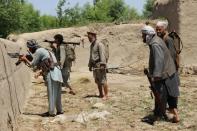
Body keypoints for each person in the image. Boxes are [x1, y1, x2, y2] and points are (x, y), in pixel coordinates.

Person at [141, 25, 179, 123]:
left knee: (160, 95)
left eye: (143, 35)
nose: (142, 37)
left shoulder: (155, 44)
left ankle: (159, 116)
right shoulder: (156, 40)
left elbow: (159, 60)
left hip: (165, 74)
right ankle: (170, 116)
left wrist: (156, 75)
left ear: (148, 36)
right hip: (169, 72)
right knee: (170, 96)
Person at [20, 39, 63, 117]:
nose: (29, 50)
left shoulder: (39, 51)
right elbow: (45, 64)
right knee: (57, 93)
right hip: (58, 72)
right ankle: (59, 110)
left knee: (51, 93)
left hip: (52, 73)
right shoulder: (45, 50)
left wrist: (24, 59)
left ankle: (52, 112)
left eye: (29, 48)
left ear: (33, 47)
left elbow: (32, 65)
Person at [156, 21, 180, 122]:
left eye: (159, 29)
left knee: (171, 93)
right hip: (164, 71)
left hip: (169, 72)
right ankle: (161, 112)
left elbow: (171, 56)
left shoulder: (168, 39)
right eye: (156, 29)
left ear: (164, 29)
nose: (157, 31)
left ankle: (174, 115)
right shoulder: (161, 39)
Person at [87, 31, 109, 100]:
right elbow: (91, 56)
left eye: (90, 37)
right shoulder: (91, 45)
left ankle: (106, 95)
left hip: (99, 64)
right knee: (97, 80)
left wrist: (103, 64)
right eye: (88, 38)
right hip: (94, 65)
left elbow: (102, 55)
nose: (89, 39)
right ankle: (101, 94)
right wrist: (90, 65)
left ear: (94, 36)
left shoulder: (99, 44)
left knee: (103, 80)